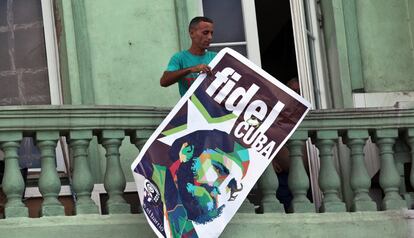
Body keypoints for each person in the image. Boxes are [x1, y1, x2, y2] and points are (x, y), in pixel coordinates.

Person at [160, 16, 217, 96]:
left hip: (213, 108)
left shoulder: (216, 57)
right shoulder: (179, 58)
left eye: (211, 33)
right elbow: (164, 81)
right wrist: (191, 69)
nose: (210, 37)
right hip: (190, 108)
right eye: (205, 33)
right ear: (192, 33)